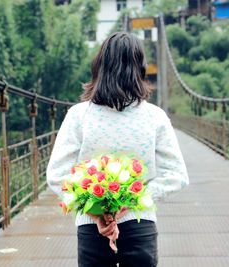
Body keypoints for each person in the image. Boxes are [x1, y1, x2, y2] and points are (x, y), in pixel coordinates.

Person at [46, 32, 189, 267]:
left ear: (100, 67)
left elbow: (57, 175)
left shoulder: (78, 115)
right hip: (140, 225)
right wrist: (135, 200)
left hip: (92, 229)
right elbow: (177, 175)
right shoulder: (155, 117)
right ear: (140, 68)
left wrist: (95, 212)